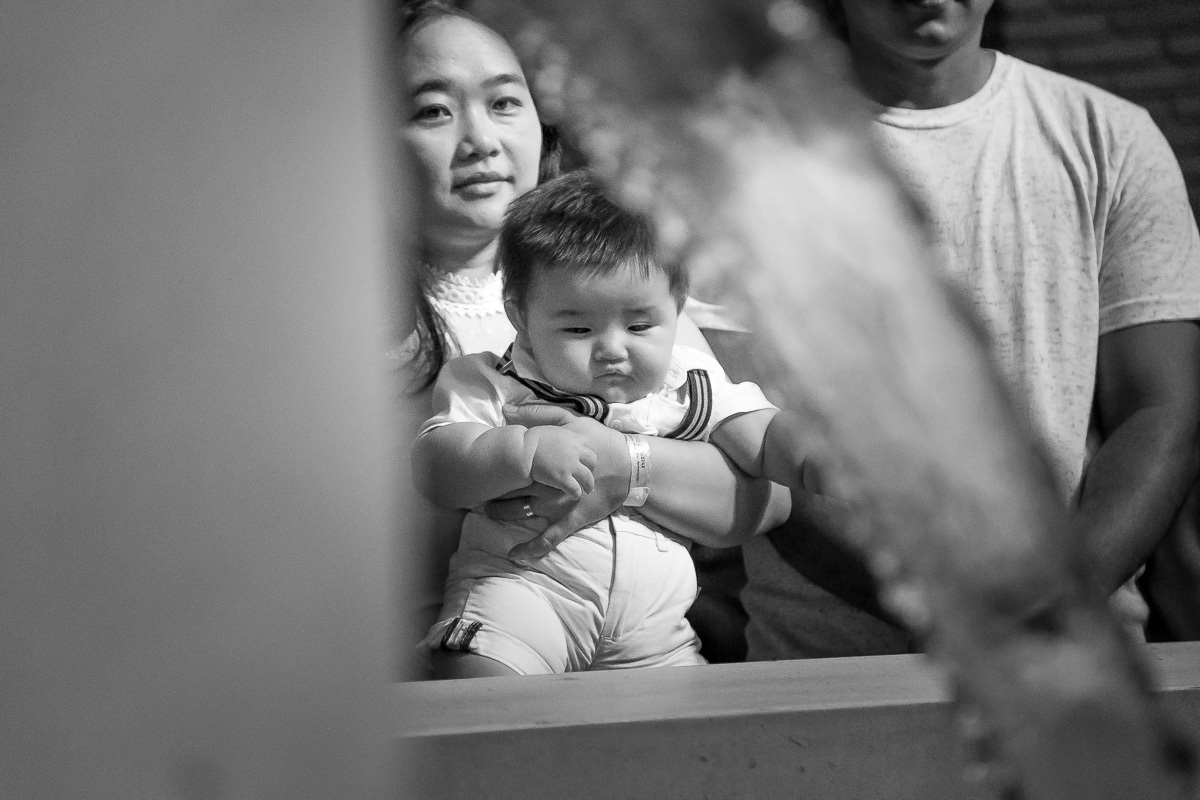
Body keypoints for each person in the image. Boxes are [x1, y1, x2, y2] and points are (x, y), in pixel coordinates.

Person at [740, 0, 1200, 660]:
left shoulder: (1109, 136)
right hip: (826, 663)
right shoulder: (751, 154)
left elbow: (1160, 410)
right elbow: (739, 415)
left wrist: (1063, 599)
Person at [392, 0, 789, 675]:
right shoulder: (345, 324)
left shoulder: (623, 292)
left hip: (639, 650)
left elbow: (764, 500)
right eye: (435, 110)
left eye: (505, 103)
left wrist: (626, 466)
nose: (480, 139)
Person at [413, 173, 811, 677]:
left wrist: (819, 459)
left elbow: (764, 438)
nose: (612, 350)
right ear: (520, 315)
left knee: (680, 735)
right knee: (485, 690)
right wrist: (521, 453)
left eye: (640, 325)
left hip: (654, 633)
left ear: (678, 308)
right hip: (523, 593)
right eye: (578, 328)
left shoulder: (687, 382)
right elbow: (437, 468)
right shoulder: (494, 380)